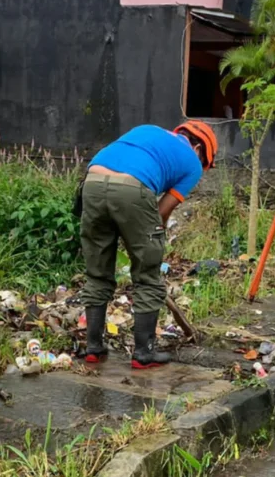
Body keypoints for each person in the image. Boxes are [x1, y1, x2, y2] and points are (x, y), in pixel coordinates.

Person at [78, 121, 217, 368]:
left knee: (97, 271)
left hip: (92, 182)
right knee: (147, 276)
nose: (202, 169)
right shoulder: (193, 162)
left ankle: (93, 348)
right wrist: (149, 242)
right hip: (133, 188)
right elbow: (162, 210)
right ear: (199, 150)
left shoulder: (148, 130)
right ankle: (143, 353)